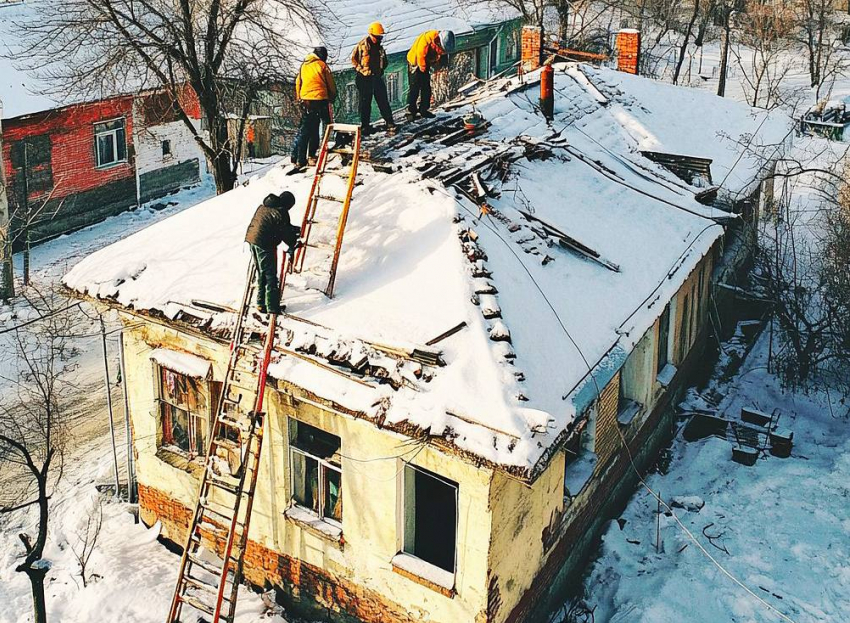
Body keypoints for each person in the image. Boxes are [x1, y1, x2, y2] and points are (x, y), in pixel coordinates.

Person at [244, 192, 300, 314]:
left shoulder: (265, 207)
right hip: (265, 244)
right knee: (270, 275)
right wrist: (294, 242)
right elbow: (285, 232)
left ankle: (261, 303)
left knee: (262, 273)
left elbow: (280, 226)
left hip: (252, 240)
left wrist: (294, 230)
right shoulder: (281, 212)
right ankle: (272, 308)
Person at [290, 46, 336, 174]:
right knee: (324, 126)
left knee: (307, 129)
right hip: (320, 100)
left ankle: (300, 158)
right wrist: (332, 96)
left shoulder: (304, 65)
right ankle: (312, 155)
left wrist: (300, 97)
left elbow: (298, 82)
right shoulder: (322, 65)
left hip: (307, 102)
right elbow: (330, 84)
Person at [351, 22, 397, 136]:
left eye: (380, 37)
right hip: (364, 78)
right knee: (365, 103)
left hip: (376, 76)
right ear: (371, 35)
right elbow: (353, 59)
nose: (379, 39)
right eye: (377, 37)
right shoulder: (362, 45)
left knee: (382, 100)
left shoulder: (380, 48)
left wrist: (380, 69)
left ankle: (389, 122)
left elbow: (385, 61)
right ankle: (365, 126)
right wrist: (360, 69)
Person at [406, 30, 454, 121]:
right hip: (415, 63)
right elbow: (421, 56)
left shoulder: (441, 40)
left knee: (426, 88)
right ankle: (411, 111)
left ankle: (423, 110)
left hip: (426, 62)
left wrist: (440, 67)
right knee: (414, 87)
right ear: (439, 42)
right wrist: (423, 70)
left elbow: (440, 55)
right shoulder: (425, 41)